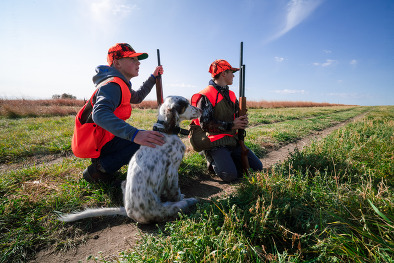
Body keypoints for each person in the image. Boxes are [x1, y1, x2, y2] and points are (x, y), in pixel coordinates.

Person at [72, 43, 165, 183]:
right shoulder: (113, 85)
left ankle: (106, 164)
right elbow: (100, 114)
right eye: (132, 59)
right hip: (99, 144)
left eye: (137, 59)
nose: (138, 62)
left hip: (104, 140)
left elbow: (138, 97)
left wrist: (153, 77)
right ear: (117, 63)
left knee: (147, 139)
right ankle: (100, 169)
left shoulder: (120, 84)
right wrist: (135, 134)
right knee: (147, 141)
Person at [190, 59, 263, 182]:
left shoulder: (232, 95)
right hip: (214, 143)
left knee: (257, 168)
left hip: (231, 140)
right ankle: (210, 158)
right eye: (231, 72)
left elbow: (234, 117)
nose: (233, 75)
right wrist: (232, 125)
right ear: (223, 73)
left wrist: (242, 120)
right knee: (230, 175)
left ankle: (228, 160)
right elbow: (205, 124)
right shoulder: (206, 95)